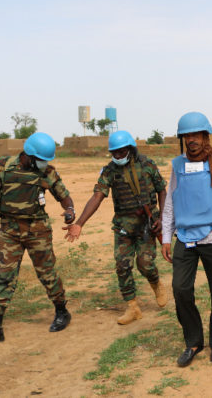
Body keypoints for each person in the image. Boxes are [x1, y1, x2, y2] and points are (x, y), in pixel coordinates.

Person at [0, 132, 76, 345]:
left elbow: (65, 196)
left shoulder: (47, 172)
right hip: (10, 231)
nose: (45, 164)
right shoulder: (4, 167)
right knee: (4, 275)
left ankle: (62, 311)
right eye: (42, 160)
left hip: (38, 231)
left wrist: (70, 210)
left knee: (47, 274)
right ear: (29, 155)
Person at [64, 130, 168, 325]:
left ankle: (156, 283)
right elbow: (97, 196)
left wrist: (163, 217)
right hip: (123, 227)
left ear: (130, 149)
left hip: (147, 224)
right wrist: (79, 223)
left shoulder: (147, 165)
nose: (117, 156)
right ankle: (133, 308)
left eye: (121, 152)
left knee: (145, 264)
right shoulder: (109, 171)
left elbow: (162, 190)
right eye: (114, 153)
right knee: (122, 266)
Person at [161, 112, 212, 366]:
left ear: (205, 136)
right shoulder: (178, 165)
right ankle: (193, 341)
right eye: (187, 136)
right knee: (180, 289)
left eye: (196, 135)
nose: (191, 140)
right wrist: (165, 236)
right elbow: (171, 202)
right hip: (184, 237)